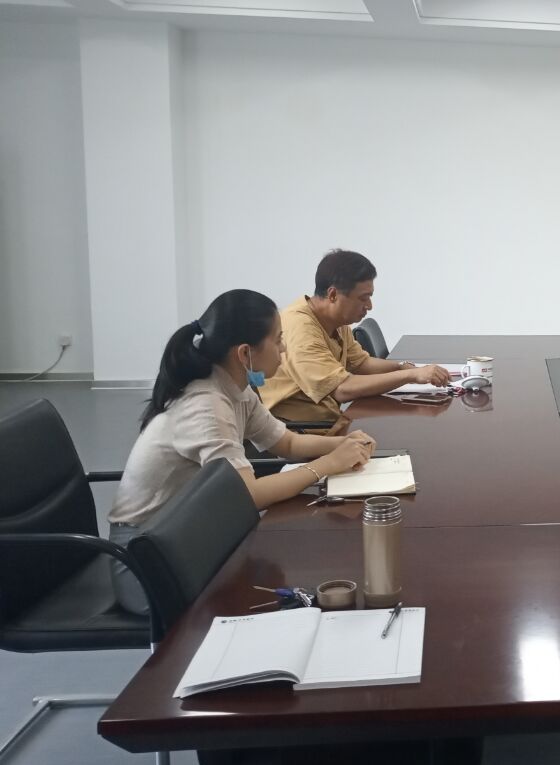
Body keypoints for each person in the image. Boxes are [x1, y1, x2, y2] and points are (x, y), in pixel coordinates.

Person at [108, 290, 377, 614]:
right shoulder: (205, 405)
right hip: (147, 562)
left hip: (190, 534)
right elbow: (248, 495)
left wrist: (343, 445)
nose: (284, 349)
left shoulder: (234, 387)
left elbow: (286, 443)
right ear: (245, 353)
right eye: (277, 340)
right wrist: (327, 464)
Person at [260, 250, 451, 423]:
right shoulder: (300, 328)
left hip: (331, 421)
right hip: (300, 431)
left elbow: (361, 364)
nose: (369, 306)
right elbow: (342, 389)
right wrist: (411, 375)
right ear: (333, 295)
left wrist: (401, 366)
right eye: (363, 298)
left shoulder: (336, 320)